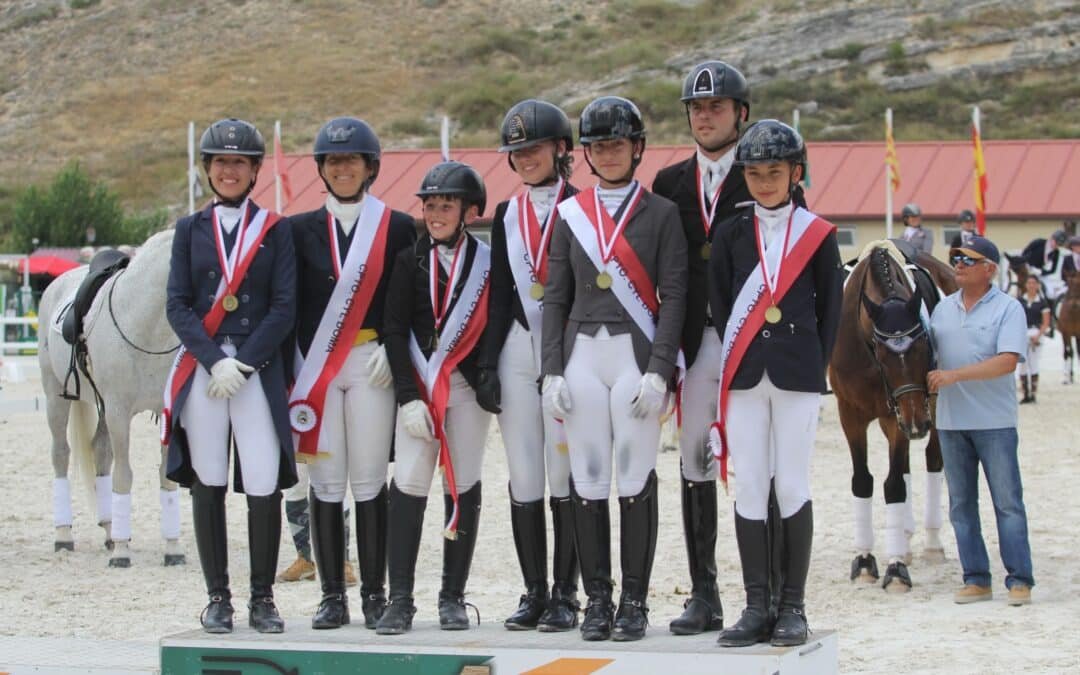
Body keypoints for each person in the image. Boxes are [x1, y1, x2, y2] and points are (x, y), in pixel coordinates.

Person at [541, 96, 688, 642]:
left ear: (636, 149)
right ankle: (597, 600)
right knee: (588, 478)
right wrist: (550, 370)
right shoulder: (569, 214)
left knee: (634, 478)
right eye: (598, 146)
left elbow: (673, 295)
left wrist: (660, 369)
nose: (607, 153)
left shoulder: (662, 215)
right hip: (581, 354)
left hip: (635, 355)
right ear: (586, 154)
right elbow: (554, 298)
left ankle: (634, 601)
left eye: (617, 144)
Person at [708, 119, 843, 648]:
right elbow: (722, 305)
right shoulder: (731, 234)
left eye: (775, 172)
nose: (765, 182)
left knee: (790, 483)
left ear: (795, 173)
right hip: (745, 372)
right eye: (756, 173)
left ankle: (793, 606)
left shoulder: (818, 234)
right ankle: (755, 604)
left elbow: (830, 309)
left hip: (796, 373)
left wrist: (813, 366)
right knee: (749, 484)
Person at [163, 118, 297, 634]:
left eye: (238, 162)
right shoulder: (187, 230)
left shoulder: (276, 230)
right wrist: (213, 359)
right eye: (220, 162)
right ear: (207, 170)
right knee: (209, 478)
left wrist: (244, 362)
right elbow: (177, 304)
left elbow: (283, 307)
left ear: (254, 170)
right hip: (204, 370)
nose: (229, 170)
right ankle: (218, 597)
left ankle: (263, 597)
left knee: (263, 478)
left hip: (254, 372)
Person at [284, 117, 418, 630]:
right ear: (322, 169)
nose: (343, 168)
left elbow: (406, 300)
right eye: (334, 161)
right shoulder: (297, 231)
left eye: (352, 160)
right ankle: (331, 594)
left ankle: (374, 594)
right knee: (325, 481)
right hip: (317, 369)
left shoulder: (399, 226)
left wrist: (394, 345)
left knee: (367, 480)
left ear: (370, 167)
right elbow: (292, 306)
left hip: (372, 366)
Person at [651, 59, 751, 636]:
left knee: (754, 465)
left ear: (740, 113)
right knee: (694, 462)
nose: (705, 116)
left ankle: (764, 594)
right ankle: (704, 592)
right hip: (693, 344)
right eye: (696, 108)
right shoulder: (668, 184)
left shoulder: (765, 170)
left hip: (748, 340)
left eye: (715, 107)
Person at [376, 161, 497, 635]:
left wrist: (485, 376)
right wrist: (407, 397)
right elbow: (393, 329)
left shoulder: (488, 262)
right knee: (408, 481)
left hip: (465, 389)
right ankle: (400, 599)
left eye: (446, 205)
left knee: (463, 482)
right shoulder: (410, 261)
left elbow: (496, 322)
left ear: (469, 210)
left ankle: (452, 596)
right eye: (429, 205)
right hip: (421, 389)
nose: (436, 213)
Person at [482, 99, 581, 632]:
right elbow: (500, 293)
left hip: (567, 352)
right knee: (524, 474)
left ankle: (568, 593)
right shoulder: (505, 215)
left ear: (560, 150)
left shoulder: (584, 207)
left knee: (562, 473)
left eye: (533, 148)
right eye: (516, 151)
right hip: (518, 349)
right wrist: (486, 364)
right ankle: (534, 590)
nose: (524, 159)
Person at [928, 235, 1034, 606]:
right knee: (961, 505)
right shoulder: (942, 310)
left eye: (968, 259)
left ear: (990, 269)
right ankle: (976, 578)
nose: (958, 263)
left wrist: (954, 376)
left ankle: (1019, 579)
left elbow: (1007, 361)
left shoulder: (1008, 309)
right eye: (955, 257)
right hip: (951, 422)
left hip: (995, 423)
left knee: (1007, 502)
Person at [1016, 275, 1050, 404]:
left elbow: (1045, 322)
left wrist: (1038, 335)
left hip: (1036, 332)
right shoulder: (1020, 300)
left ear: (1037, 285)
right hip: (1022, 332)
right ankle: (1025, 394)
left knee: (1034, 363)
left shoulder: (1042, 302)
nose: (1031, 285)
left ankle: (1034, 393)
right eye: (1029, 283)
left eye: (1033, 283)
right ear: (1026, 285)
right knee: (1023, 364)